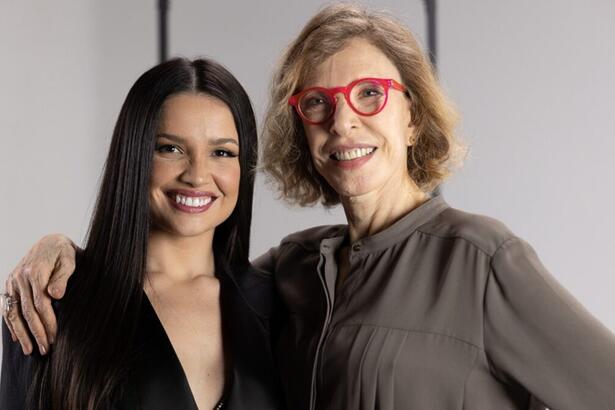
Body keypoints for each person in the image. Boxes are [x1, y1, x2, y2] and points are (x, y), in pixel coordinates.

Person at [5, 4, 615, 410]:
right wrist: (59, 252)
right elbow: (183, 266)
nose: (344, 120)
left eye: (370, 94)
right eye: (318, 103)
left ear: (414, 118)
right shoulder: (293, 271)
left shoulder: (482, 261)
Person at [0, 58, 282, 409]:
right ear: (134, 155)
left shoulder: (278, 306)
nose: (197, 175)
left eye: (222, 152)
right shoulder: (53, 301)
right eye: (171, 148)